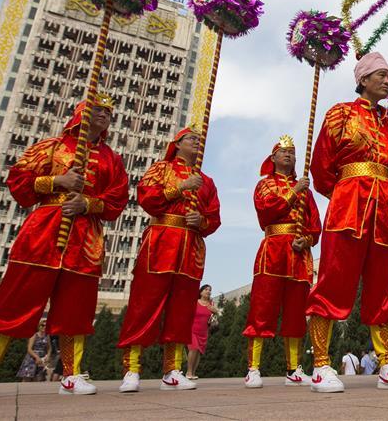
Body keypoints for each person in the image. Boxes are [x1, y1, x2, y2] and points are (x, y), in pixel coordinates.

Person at [0, 97, 129, 400]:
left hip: (85, 239)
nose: (105, 115)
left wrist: (88, 203)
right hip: (43, 232)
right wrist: (57, 181)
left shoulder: (112, 159)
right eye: (99, 110)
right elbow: (18, 180)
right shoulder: (52, 146)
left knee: (75, 311)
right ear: (81, 113)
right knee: (13, 304)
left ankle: (71, 373)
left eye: (109, 112)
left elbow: (118, 198)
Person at [305, 52, 388, 392]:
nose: (387, 81)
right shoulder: (340, 113)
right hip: (348, 205)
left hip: (384, 208)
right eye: (381, 75)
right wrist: (344, 191)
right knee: (333, 281)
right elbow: (321, 166)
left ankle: (387, 364)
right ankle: (322, 365)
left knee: (384, 287)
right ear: (363, 80)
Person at [117, 128, 221, 393]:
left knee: (181, 311)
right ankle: (132, 369)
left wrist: (203, 221)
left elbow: (214, 217)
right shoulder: (161, 169)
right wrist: (180, 187)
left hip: (191, 248)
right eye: (191, 139)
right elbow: (147, 197)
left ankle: (172, 370)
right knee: (144, 306)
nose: (197, 143)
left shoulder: (206, 181)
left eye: (200, 140)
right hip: (161, 241)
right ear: (177, 144)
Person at [242, 136, 321, 389]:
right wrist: (293, 192)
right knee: (261, 310)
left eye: (292, 152)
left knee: (296, 314)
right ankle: (253, 368)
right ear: (273, 157)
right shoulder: (265, 185)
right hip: (273, 250)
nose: (288, 155)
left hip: (299, 255)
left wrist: (306, 239)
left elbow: (315, 225)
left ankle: (293, 369)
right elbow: (266, 212)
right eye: (283, 151)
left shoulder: (305, 189)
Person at [187, 284, 217, 379]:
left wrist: (215, 311)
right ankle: (188, 372)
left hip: (204, 332)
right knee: (193, 349)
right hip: (192, 330)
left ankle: (193, 373)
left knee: (199, 351)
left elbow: (215, 317)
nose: (208, 291)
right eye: (206, 289)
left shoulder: (211, 304)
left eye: (209, 290)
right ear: (200, 292)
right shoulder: (194, 302)